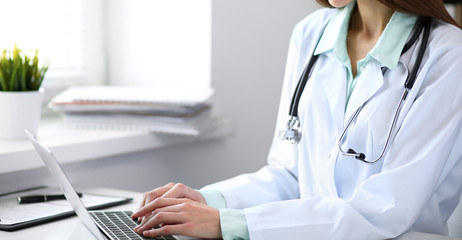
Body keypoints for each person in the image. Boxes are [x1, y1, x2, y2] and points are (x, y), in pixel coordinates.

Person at [131, 0, 462, 239]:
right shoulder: (312, 33)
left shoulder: (448, 55)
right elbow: (290, 174)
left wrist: (228, 222)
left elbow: (384, 211)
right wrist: (207, 200)